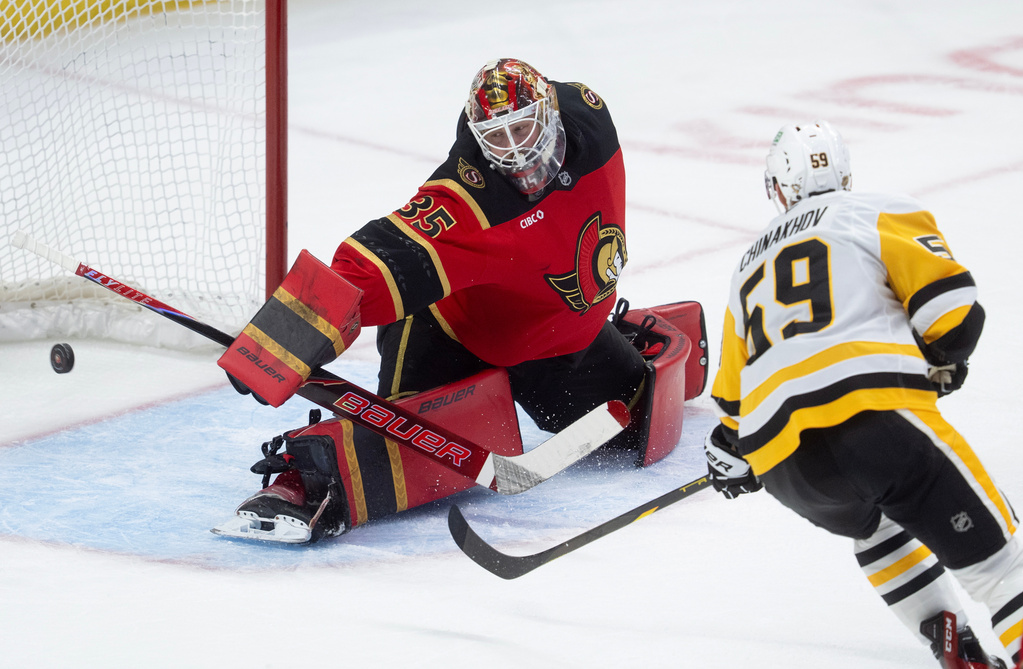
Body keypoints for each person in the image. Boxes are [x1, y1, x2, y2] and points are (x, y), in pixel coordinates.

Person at [213, 58, 701, 544]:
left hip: (557, 339)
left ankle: (623, 334)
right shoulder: (466, 200)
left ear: (551, 111)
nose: (516, 153)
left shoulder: (589, 116)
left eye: (524, 128)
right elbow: (367, 269)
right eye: (497, 139)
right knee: (400, 456)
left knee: (638, 434)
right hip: (453, 339)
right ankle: (302, 486)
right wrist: (280, 340)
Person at [704, 121, 1023, 668]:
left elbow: (732, 414)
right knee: (1004, 570)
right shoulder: (875, 210)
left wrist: (734, 457)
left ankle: (957, 648)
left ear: (778, 189)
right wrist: (943, 360)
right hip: (874, 424)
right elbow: (953, 318)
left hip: (788, 467)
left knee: (878, 524)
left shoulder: (745, 267)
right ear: (846, 175)